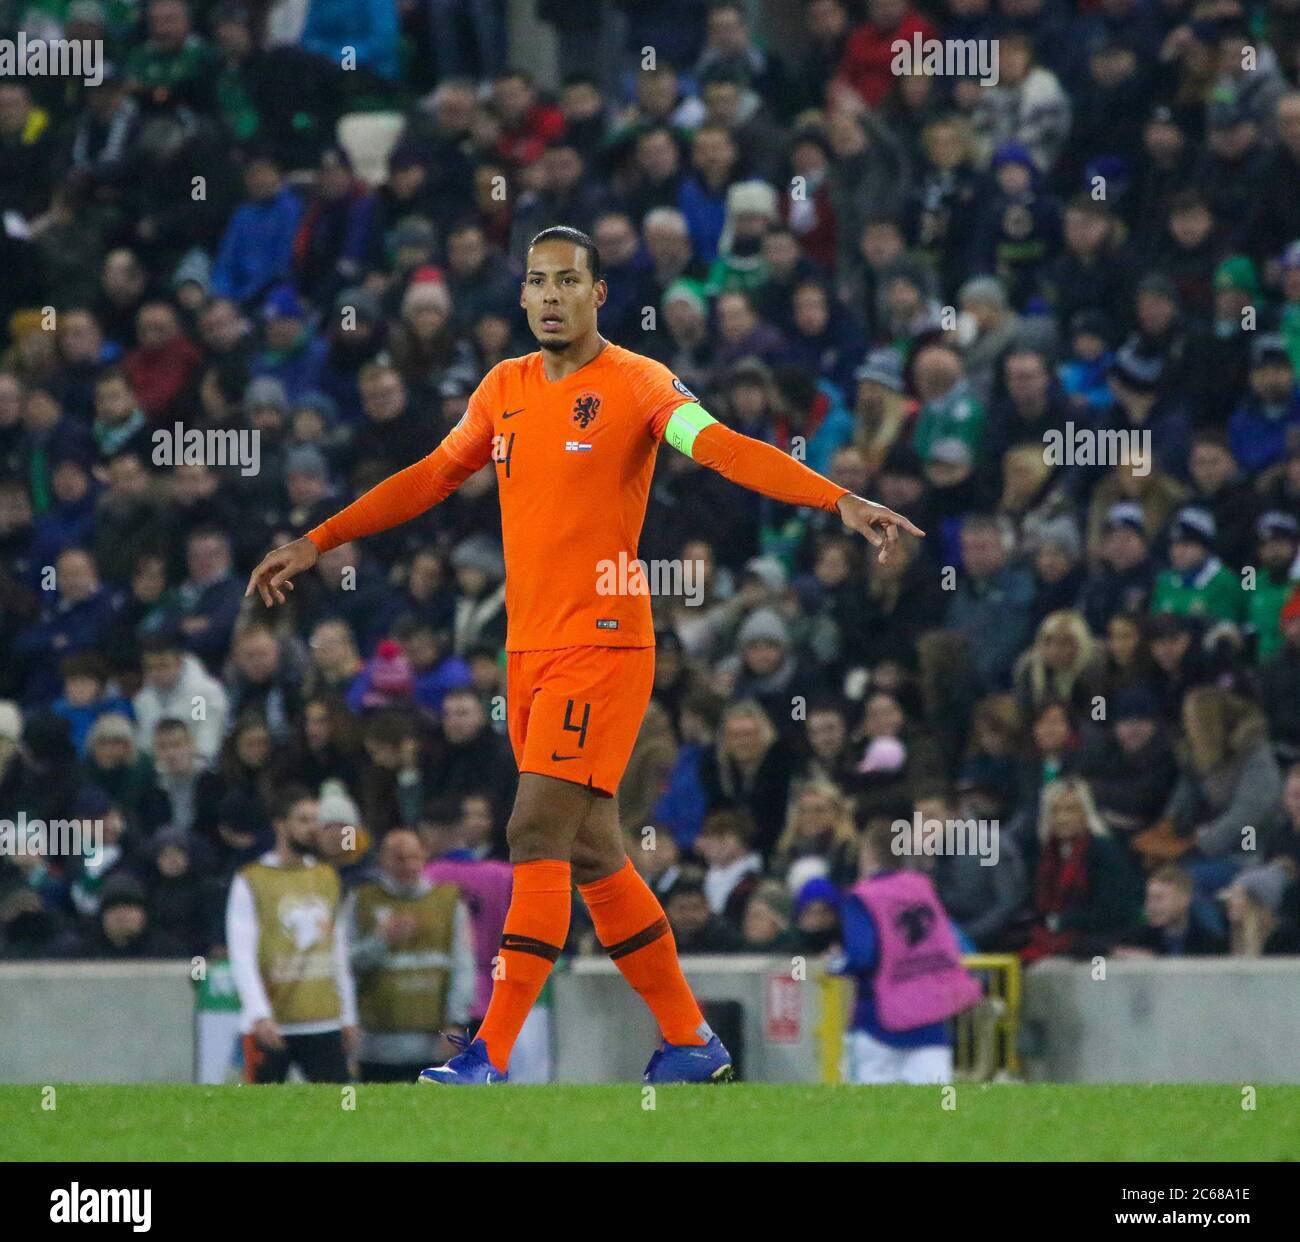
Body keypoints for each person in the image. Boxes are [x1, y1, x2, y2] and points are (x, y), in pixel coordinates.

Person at [245, 224, 924, 1085]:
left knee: (531, 828)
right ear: (522, 296)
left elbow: (719, 447)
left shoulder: (639, 384)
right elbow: (429, 476)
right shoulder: (504, 387)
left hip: (603, 644)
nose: (553, 295)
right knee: (596, 852)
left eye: (570, 280)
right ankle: (690, 1041)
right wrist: (320, 538)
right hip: (527, 650)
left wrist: (838, 500)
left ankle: (487, 1054)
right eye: (538, 281)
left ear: (600, 295)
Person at [224, 787, 357, 1084]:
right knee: (259, 1114)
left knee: (339, 1112)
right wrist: (258, 1013)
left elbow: (338, 950)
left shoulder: (327, 876)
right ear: (280, 825)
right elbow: (242, 954)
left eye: (315, 821)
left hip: (322, 1020)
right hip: (271, 1022)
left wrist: (347, 1015)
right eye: (303, 820)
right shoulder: (251, 880)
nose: (312, 829)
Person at [831, 824, 982, 1085]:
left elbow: (862, 956)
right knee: (933, 1110)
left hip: (878, 1021)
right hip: (931, 1020)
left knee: (869, 1113)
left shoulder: (862, 897)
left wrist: (835, 963)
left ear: (869, 855)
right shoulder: (923, 889)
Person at [343, 829, 476, 1082]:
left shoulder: (448, 902)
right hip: (376, 1046)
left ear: (424, 857)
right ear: (382, 861)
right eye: (399, 858)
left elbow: (463, 966)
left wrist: (456, 1023)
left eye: (414, 857)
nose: (408, 865)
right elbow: (344, 964)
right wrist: (381, 941)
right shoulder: (361, 901)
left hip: (433, 1043)